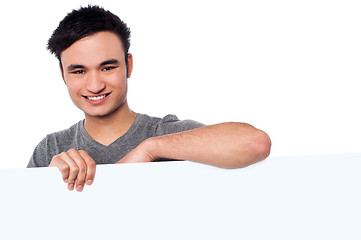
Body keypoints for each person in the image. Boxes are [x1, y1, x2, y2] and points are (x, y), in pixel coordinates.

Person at [27, 5, 271, 192]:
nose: (95, 85)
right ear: (62, 74)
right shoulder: (51, 149)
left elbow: (255, 143)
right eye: (79, 71)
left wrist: (150, 149)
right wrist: (46, 187)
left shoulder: (164, 133)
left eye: (108, 68)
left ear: (128, 65)